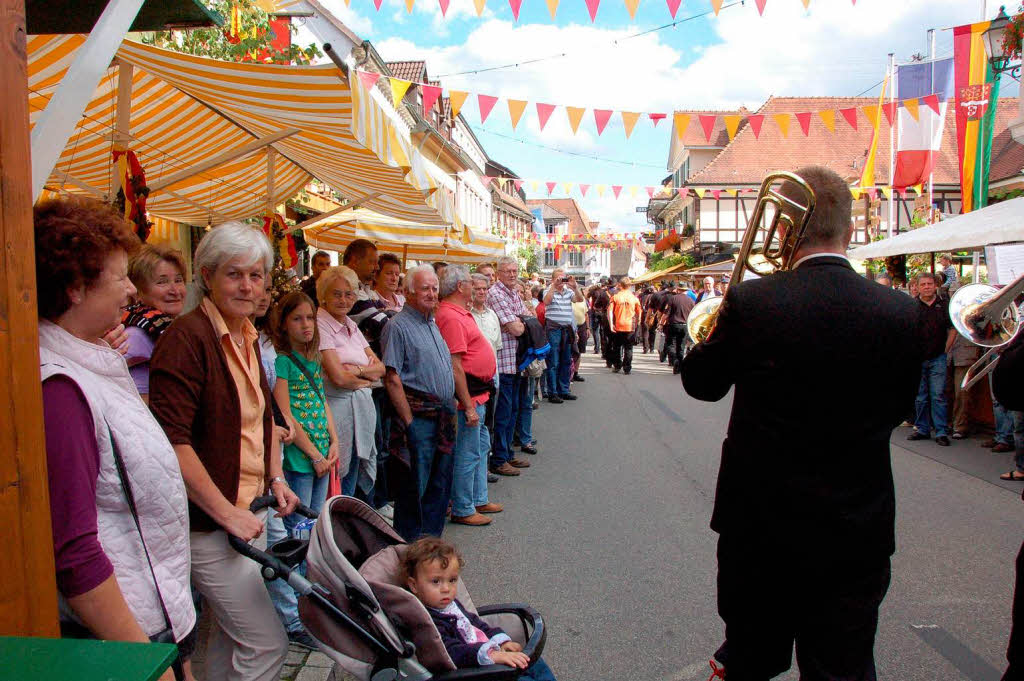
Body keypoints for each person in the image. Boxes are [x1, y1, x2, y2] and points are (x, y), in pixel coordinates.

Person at [680, 166, 922, 681]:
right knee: (844, 665)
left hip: (760, 524)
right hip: (857, 523)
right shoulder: (901, 312)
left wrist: (715, 326)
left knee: (750, 658)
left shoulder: (753, 300)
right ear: (850, 230)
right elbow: (900, 406)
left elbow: (703, 384)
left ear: (785, 231)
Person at [36, 197, 194, 681]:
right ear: (76, 288)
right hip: (128, 635)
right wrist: (150, 665)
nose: (131, 289)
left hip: (155, 610)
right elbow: (76, 553)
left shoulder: (90, 360)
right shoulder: (60, 390)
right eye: (120, 276)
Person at [150, 222, 300, 679]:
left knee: (231, 638)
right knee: (267, 643)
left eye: (256, 276)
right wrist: (224, 512)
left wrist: (276, 478)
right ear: (207, 276)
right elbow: (172, 442)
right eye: (234, 274)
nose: (247, 286)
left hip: (248, 512)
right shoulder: (188, 338)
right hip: (208, 525)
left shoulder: (247, 336)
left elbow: (266, 419)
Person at [400, 537, 558, 681]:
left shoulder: (449, 604)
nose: (446, 588)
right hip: (474, 670)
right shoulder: (426, 621)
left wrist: (501, 641)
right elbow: (452, 652)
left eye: (452, 580)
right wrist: (493, 655)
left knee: (532, 661)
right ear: (414, 585)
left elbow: (476, 624)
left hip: (489, 655)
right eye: (436, 582)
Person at [381, 265, 456, 539]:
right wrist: (410, 423)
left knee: (438, 486)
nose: (431, 293)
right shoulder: (397, 326)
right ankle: (409, 551)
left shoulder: (432, 323)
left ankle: (430, 547)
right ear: (408, 292)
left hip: (441, 418)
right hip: (418, 420)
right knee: (414, 489)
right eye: (425, 288)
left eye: (435, 288)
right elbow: (392, 378)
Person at [435, 266, 501, 527]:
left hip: (479, 394)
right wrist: (467, 404)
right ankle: (463, 506)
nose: (475, 288)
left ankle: (477, 497)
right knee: (467, 452)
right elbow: (455, 365)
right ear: (460, 287)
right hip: (469, 398)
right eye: (470, 284)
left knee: (480, 447)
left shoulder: (459, 313)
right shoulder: (450, 316)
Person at [316, 266, 384, 500]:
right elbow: (337, 376)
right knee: (337, 478)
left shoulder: (350, 324)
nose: (343, 300)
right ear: (323, 294)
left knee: (352, 475)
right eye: (336, 293)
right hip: (335, 410)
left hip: (357, 408)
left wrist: (357, 370)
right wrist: (366, 377)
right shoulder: (320, 323)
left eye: (349, 294)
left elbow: (381, 368)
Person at [271, 291, 338, 522]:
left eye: (310, 318)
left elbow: (322, 401)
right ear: (284, 325)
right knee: (299, 524)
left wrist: (334, 440)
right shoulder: (284, 362)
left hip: (322, 450)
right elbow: (284, 414)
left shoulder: (315, 358)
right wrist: (314, 455)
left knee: (317, 520)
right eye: (297, 319)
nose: (306, 325)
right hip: (301, 457)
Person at [120, 243, 188, 403]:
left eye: (178, 280)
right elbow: (141, 405)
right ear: (138, 292)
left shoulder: (169, 328)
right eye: (162, 282)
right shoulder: (137, 338)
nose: (175, 290)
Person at [487, 257, 533, 476]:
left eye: (515, 271)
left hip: (517, 361)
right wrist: (521, 322)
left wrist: (520, 321)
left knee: (513, 410)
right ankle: (498, 459)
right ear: (499, 273)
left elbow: (530, 318)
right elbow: (517, 328)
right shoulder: (495, 293)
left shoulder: (513, 292)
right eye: (508, 271)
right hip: (504, 361)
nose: (513, 275)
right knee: (504, 413)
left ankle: (507, 454)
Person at [907, 272, 956, 446]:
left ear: (935, 285)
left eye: (929, 284)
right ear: (918, 287)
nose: (927, 287)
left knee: (939, 396)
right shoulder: (911, 306)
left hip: (938, 358)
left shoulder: (944, 305)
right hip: (917, 359)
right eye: (923, 284)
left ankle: (941, 431)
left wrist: (945, 349)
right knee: (920, 396)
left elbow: (952, 329)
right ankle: (922, 429)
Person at [470, 273, 502, 485]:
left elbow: (496, 348)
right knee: (473, 431)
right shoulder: (466, 316)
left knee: (488, 427)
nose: (481, 292)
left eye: (484, 289)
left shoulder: (492, 315)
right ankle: (472, 475)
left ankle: (485, 468)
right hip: (472, 384)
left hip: (492, 379)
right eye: (477, 289)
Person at [543, 268, 582, 403]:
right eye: (559, 278)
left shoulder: (569, 291)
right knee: (553, 361)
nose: (561, 281)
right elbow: (546, 302)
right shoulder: (548, 290)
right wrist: (554, 286)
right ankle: (552, 391)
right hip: (553, 328)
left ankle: (564, 390)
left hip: (566, 329)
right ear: (553, 279)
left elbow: (579, 299)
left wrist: (575, 287)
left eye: (563, 278)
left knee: (566, 360)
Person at [950, 333, 983, 439]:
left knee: (962, 392)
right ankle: (950, 422)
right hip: (949, 350)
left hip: (966, 351)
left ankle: (960, 426)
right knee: (947, 391)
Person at [607, 277, 641, 375]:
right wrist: (638, 324)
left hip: (618, 325)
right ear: (629, 286)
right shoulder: (634, 298)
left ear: (620, 285)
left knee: (617, 347)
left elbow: (609, 311)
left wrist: (611, 324)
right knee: (628, 347)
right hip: (630, 325)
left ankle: (617, 365)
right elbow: (639, 313)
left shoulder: (615, 297)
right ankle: (627, 368)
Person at [661, 284, 695, 374]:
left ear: (678, 289)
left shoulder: (673, 299)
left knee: (669, 344)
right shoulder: (691, 301)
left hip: (673, 324)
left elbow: (666, 313)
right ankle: (678, 366)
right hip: (685, 326)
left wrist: (661, 323)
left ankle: (674, 358)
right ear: (686, 290)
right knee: (681, 346)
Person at [587, 279, 611, 357]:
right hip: (603, 313)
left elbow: (588, 296)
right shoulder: (606, 293)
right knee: (602, 331)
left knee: (595, 330)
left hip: (595, 312)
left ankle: (597, 348)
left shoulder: (594, 291)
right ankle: (603, 349)